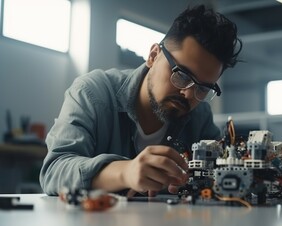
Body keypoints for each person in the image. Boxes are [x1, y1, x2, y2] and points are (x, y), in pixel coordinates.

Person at [39, 4, 242, 196]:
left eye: (203, 88)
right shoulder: (93, 92)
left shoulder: (200, 116)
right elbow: (54, 171)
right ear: (153, 56)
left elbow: (223, 172)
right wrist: (124, 172)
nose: (189, 94)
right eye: (181, 75)